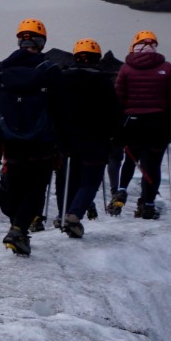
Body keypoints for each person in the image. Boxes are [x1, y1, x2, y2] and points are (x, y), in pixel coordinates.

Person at [0, 18, 63, 257]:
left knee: (15, 184)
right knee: (36, 186)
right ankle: (19, 229)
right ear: (42, 42)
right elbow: (60, 110)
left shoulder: (2, 70)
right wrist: (62, 144)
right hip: (42, 142)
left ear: (20, 40)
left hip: (11, 140)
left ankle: (16, 226)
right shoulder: (50, 70)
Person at [53, 38, 123, 237]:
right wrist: (115, 137)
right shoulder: (103, 83)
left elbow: (56, 110)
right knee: (90, 181)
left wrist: (58, 137)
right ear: (97, 59)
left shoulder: (63, 79)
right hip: (96, 141)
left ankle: (63, 214)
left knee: (71, 179)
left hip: (69, 140)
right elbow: (114, 114)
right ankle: (74, 215)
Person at [114, 30, 171, 218]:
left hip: (132, 124)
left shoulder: (126, 69)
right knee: (153, 165)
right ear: (154, 47)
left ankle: (121, 190)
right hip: (159, 124)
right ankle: (147, 204)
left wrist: (115, 125)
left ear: (134, 46)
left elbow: (118, 100)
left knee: (130, 159)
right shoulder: (167, 68)